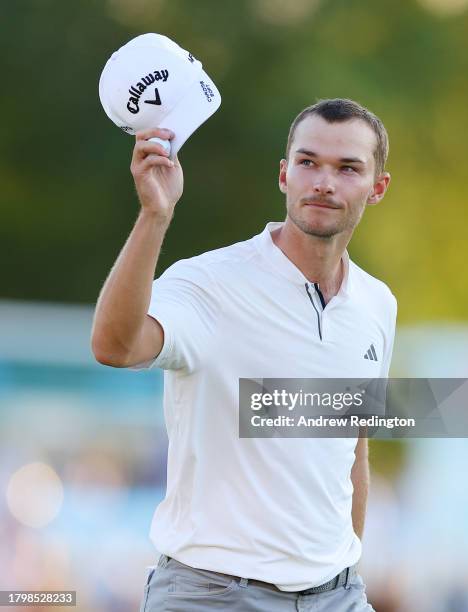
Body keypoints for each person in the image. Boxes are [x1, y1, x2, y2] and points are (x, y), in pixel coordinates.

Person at [91, 98, 397, 612]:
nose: (323, 182)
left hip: (336, 596)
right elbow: (114, 346)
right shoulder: (209, 282)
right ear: (284, 175)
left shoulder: (377, 304)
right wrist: (153, 216)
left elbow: (353, 446)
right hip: (210, 595)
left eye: (347, 168)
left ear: (378, 187)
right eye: (308, 162)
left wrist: (345, 570)